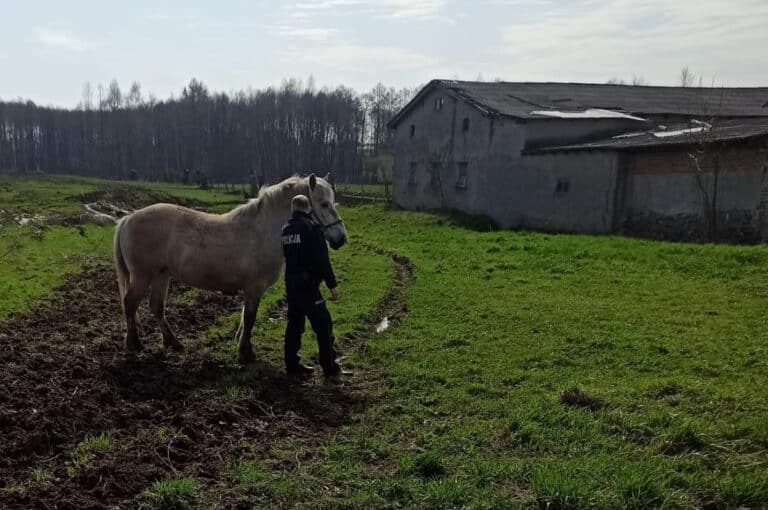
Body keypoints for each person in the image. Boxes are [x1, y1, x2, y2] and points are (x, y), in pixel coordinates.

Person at [281, 194, 348, 378]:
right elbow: (322, 260)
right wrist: (332, 285)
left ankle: (292, 365)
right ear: (309, 208)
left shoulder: (286, 229)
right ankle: (329, 367)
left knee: (294, 325)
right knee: (323, 324)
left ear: (293, 209)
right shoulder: (312, 228)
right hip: (309, 286)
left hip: (291, 285)